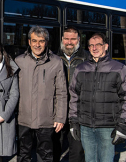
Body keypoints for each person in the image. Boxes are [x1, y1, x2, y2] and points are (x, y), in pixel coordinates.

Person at [69, 33, 126, 162]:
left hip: (108, 127)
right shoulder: (81, 69)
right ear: (88, 48)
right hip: (86, 127)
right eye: (91, 45)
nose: (94, 48)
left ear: (106, 46)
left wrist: (122, 125)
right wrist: (73, 121)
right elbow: (74, 96)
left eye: (98, 44)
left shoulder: (119, 69)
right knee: (90, 159)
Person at [15, 26, 67, 162]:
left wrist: (60, 117)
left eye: (41, 41)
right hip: (23, 118)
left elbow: (61, 92)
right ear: (29, 42)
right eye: (34, 41)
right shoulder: (19, 61)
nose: (37, 45)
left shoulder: (56, 62)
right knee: (23, 154)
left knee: (45, 155)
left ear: (46, 42)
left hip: (46, 119)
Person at [55, 26, 88, 162]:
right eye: (67, 39)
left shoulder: (87, 58)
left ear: (78, 40)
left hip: (79, 112)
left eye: (73, 39)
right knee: (55, 147)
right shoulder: (53, 57)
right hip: (57, 111)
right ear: (62, 40)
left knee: (77, 151)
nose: (69, 42)